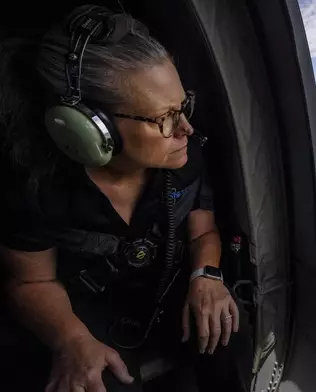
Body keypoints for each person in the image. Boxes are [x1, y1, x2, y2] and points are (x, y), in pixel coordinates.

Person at [0, 5, 242, 392]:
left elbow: (202, 233)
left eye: (183, 106)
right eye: (164, 118)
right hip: (81, 313)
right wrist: (72, 340)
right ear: (90, 127)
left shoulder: (183, 158)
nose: (186, 128)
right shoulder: (36, 185)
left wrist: (207, 276)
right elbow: (31, 281)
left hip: (164, 300)